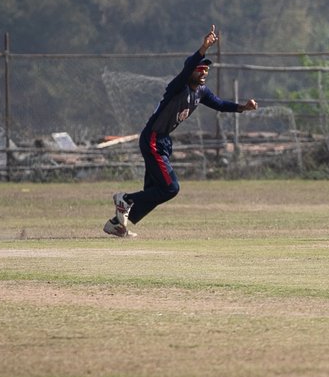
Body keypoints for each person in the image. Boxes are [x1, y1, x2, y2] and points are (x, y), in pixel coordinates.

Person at [104, 25, 258, 237]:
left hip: (163, 142)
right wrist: (204, 48)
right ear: (190, 70)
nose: (204, 72)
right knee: (171, 188)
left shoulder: (201, 92)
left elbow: (220, 104)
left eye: (206, 69)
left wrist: (243, 107)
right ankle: (126, 199)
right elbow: (189, 67)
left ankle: (117, 224)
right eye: (200, 68)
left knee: (154, 192)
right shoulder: (178, 86)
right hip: (152, 139)